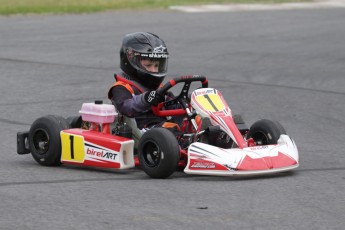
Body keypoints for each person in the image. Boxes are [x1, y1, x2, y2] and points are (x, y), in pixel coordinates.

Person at [108, 32, 179, 132]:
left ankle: (204, 134)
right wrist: (145, 99)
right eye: (148, 65)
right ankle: (187, 142)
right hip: (142, 128)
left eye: (156, 66)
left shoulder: (157, 87)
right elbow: (126, 107)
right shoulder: (121, 88)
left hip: (161, 126)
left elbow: (172, 102)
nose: (154, 70)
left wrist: (190, 99)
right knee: (170, 130)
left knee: (194, 118)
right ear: (130, 60)